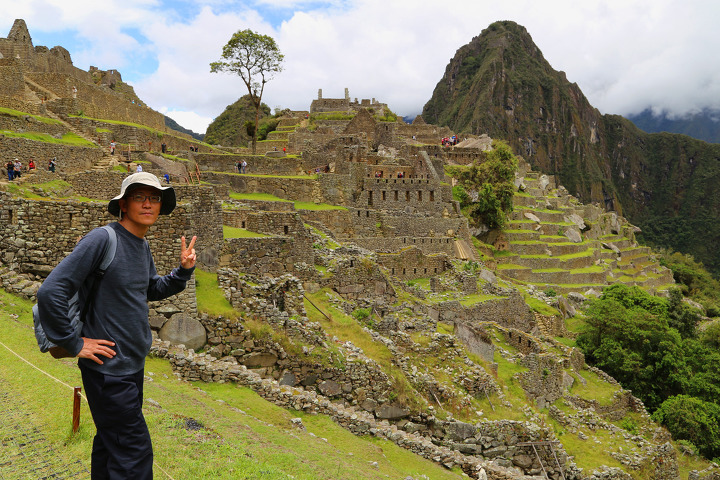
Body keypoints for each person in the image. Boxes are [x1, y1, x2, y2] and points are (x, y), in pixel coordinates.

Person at [36, 172, 197, 480]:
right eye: (140, 197)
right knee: (134, 455)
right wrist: (75, 343)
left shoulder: (141, 245)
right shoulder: (103, 239)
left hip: (130, 367)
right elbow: (51, 290)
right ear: (124, 204)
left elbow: (149, 289)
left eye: (154, 198)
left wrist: (182, 271)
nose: (148, 204)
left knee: (111, 446)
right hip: (108, 372)